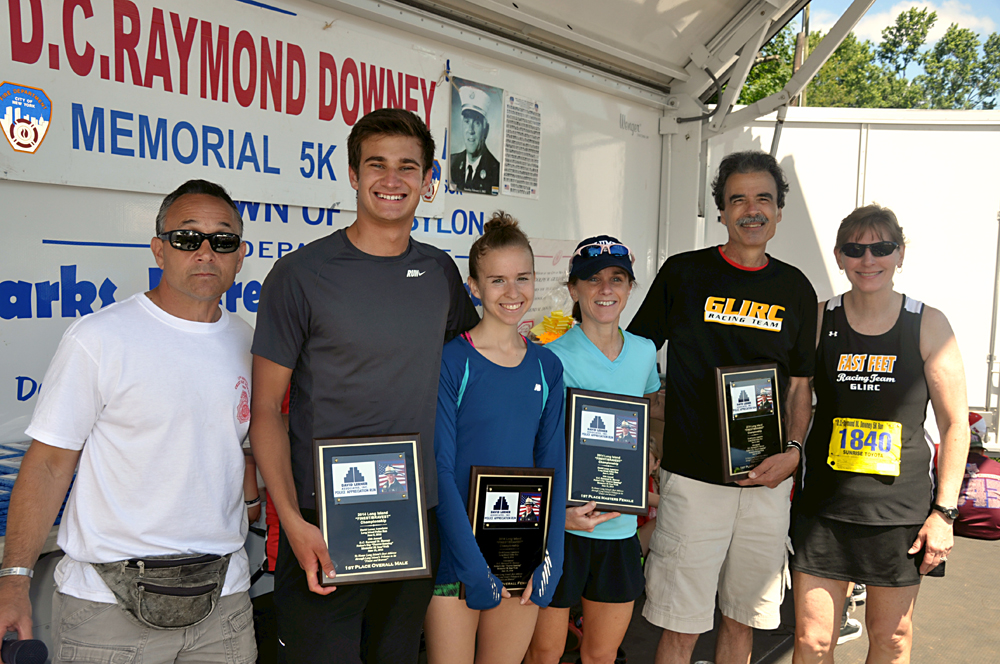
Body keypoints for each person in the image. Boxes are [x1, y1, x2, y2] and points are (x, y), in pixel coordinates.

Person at [249, 108, 479, 664]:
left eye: (408, 167)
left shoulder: (440, 273)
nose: (392, 179)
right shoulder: (300, 274)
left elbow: (475, 377)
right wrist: (293, 524)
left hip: (413, 518)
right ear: (353, 174)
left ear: (428, 181)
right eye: (377, 164)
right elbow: (266, 411)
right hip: (323, 523)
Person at [0, 179, 258, 660]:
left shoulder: (247, 342)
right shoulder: (99, 338)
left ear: (240, 255)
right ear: (159, 250)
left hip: (223, 603)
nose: (205, 252)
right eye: (187, 238)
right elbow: (49, 464)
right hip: (108, 609)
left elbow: (237, 449)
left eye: (222, 240)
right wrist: (14, 580)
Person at [627, 151, 817, 664]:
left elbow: (800, 387)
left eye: (763, 199)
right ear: (721, 211)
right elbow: (634, 357)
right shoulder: (684, 274)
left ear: (779, 211)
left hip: (767, 483)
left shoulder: (796, 288)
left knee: (742, 619)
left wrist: (794, 452)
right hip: (694, 483)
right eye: (738, 199)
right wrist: (638, 439)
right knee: (680, 623)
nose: (751, 210)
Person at [791, 204, 970, 664]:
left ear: (900, 254)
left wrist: (944, 513)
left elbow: (955, 424)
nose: (868, 259)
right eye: (854, 249)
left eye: (881, 248)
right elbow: (795, 398)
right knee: (812, 641)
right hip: (825, 509)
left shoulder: (928, 323)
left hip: (898, 513)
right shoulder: (818, 319)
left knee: (891, 640)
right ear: (838, 256)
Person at [424, 214, 565, 664]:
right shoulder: (453, 361)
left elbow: (552, 468)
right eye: (497, 280)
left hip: (520, 557)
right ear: (474, 287)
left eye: (522, 278)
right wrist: (472, 565)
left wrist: (552, 557)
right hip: (456, 558)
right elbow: (441, 468)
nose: (512, 292)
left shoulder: (547, 367)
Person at [526, 236, 661, 664]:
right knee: (545, 652)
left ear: (630, 287)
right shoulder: (548, 356)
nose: (605, 289)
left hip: (618, 529)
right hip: (563, 529)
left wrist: (647, 450)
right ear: (573, 288)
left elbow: (644, 412)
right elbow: (532, 444)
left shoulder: (644, 351)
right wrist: (554, 513)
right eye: (592, 279)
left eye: (617, 279)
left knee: (601, 654)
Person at [955, 412, 1000, 540]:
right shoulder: (996, 467)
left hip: (961, 528)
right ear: (982, 451)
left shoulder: (953, 466)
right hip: (995, 531)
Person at [450, 85, 500, 195]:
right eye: (467, 122)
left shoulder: (496, 171)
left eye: (477, 123)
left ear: (486, 130)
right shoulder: (452, 162)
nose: (470, 130)